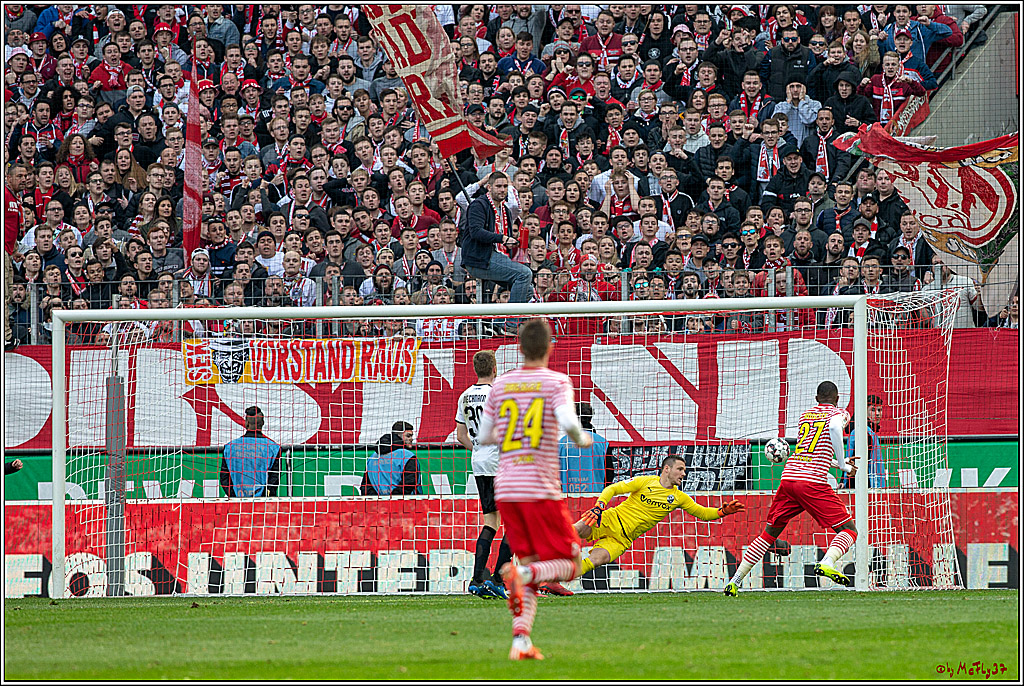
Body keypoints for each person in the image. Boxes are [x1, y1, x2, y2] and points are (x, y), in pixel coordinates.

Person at [477, 318, 593, 661]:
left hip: (507, 487)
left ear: (519, 347)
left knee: (527, 560)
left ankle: (520, 641)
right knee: (570, 564)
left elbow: (483, 437)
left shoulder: (502, 385)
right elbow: (570, 424)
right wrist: (581, 438)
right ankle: (522, 574)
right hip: (539, 487)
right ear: (550, 347)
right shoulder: (556, 381)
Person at [724, 381, 859, 595]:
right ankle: (827, 562)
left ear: (816, 399)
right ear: (837, 399)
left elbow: (809, 451)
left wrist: (837, 463)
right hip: (812, 482)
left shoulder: (806, 415)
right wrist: (842, 465)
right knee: (849, 531)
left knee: (769, 534)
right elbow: (833, 428)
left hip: (788, 479)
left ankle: (735, 580)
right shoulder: (840, 413)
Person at [574, 454, 745, 579]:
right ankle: (547, 551)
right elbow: (613, 489)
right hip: (610, 520)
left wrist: (723, 512)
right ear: (667, 469)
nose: (683, 474)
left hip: (622, 539)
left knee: (598, 559)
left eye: (684, 470)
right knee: (576, 530)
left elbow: (703, 513)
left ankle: (555, 578)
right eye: (680, 469)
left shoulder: (679, 497)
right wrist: (599, 506)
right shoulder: (645, 482)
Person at [455, 350, 512, 600]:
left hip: (479, 463)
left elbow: (460, 436)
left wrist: (478, 448)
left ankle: (478, 578)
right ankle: (499, 579)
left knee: (491, 521)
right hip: (501, 463)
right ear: (495, 368)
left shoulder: (465, 396)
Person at [461, 172, 533, 304]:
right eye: (498, 186)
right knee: (524, 274)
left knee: (528, 290)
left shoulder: (504, 208)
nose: (503, 190)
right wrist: (503, 239)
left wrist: (510, 243)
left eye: (505, 186)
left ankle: (502, 322)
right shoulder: (478, 205)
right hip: (479, 259)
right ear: (489, 187)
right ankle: (513, 322)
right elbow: (476, 232)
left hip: (497, 256)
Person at [219, 406, 282, 497]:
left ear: (246, 423)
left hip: (237, 503)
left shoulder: (229, 447)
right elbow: (274, 480)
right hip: (262, 504)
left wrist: (234, 497)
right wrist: (264, 496)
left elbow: (224, 478)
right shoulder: (273, 448)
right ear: (262, 423)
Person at [559, 401, 610, 495]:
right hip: (596, 496)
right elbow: (609, 475)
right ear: (590, 418)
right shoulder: (602, 443)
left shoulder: (561, 443)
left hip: (567, 497)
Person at [361, 421, 421, 496]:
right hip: (404, 504)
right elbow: (410, 483)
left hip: (379, 504)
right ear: (398, 436)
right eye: (408, 436)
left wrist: (379, 501)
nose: (412, 439)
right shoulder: (407, 456)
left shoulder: (372, 457)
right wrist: (393, 498)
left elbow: (365, 486)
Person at [844, 394, 886, 488]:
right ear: (864, 411)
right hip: (864, 486)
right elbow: (854, 460)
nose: (878, 413)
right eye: (873, 410)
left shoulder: (867, 432)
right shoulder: (863, 433)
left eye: (879, 410)